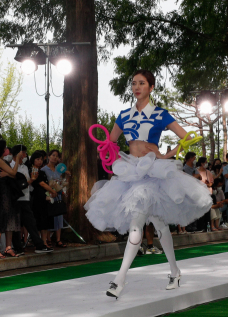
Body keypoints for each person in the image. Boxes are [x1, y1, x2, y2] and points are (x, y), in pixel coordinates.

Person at [84, 69, 212, 298]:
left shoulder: (160, 114)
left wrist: (167, 154)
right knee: (158, 224)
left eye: (141, 83)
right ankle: (174, 271)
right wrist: (108, 153)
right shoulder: (124, 115)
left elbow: (186, 137)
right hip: (131, 171)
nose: (136, 87)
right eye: (133, 83)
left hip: (155, 171)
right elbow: (110, 143)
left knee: (143, 222)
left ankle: (119, 279)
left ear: (151, 87)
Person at [8, 145, 53, 255]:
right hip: (15, 198)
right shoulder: (11, 165)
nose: (25, 156)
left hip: (26, 198)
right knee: (16, 224)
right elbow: (16, 183)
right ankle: (18, 247)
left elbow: (29, 184)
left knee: (31, 222)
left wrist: (32, 180)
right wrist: (30, 181)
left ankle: (39, 244)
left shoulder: (24, 167)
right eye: (23, 153)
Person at [0, 140, 22, 259]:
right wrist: (17, 159)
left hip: (10, 193)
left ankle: (8, 247)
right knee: (2, 219)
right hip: (4, 193)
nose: (6, 150)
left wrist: (8, 174)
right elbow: (14, 172)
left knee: (10, 220)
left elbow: (13, 175)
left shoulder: (3, 161)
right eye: (4, 148)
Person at [27, 150, 58, 246]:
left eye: (41, 159)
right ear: (33, 160)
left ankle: (44, 242)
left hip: (44, 198)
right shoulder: (32, 171)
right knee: (39, 220)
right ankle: (39, 242)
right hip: (37, 198)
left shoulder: (41, 171)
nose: (40, 161)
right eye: (37, 159)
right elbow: (42, 183)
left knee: (45, 221)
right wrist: (52, 191)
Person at [41, 150, 68, 248]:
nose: (54, 158)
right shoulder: (43, 169)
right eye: (53, 155)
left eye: (56, 156)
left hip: (58, 195)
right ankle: (48, 239)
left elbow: (60, 181)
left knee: (58, 216)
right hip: (49, 196)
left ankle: (58, 239)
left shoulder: (58, 170)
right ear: (48, 156)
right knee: (49, 217)